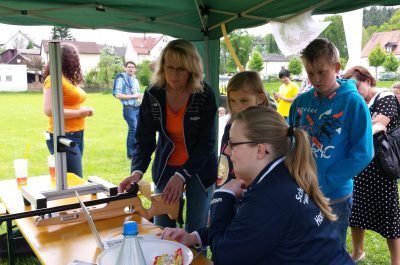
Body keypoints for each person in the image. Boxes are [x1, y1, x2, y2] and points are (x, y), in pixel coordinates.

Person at [208, 106, 354, 265]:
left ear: (260, 150)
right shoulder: (280, 175)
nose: (227, 151)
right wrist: (197, 236)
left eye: (233, 143)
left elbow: (224, 257)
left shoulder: (270, 196)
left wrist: (222, 196)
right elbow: (247, 226)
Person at [161, 71, 274, 247]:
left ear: (259, 98)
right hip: (231, 195)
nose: (237, 107)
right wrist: (219, 199)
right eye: (233, 101)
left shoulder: (268, 128)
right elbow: (224, 161)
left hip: (255, 202)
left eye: (243, 100)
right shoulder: (231, 126)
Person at [118, 39, 217, 233]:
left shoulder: (204, 94)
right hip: (166, 166)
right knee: (162, 226)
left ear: (192, 69)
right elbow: (144, 138)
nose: (173, 75)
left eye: (180, 69)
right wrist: (137, 171)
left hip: (201, 168)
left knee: (195, 228)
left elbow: (207, 144)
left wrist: (182, 175)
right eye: (169, 67)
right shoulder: (153, 94)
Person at [288, 39, 373, 249]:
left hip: (334, 196)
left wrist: (325, 180)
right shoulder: (300, 102)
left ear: (336, 68)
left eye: (321, 72)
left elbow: (363, 153)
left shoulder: (353, 102)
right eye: (310, 73)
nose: (315, 79)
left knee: (330, 251)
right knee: (301, 247)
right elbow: (289, 142)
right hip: (300, 190)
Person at [343, 66, 400, 263]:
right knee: (356, 213)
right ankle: (358, 252)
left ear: (368, 80)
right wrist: (369, 125)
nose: (354, 90)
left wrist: (364, 128)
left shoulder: (386, 98)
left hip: (381, 168)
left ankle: (396, 261)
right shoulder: (355, 100)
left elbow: (368, 131)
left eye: (357, 85)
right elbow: (361, 130)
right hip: (359, 166)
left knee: (389, 217)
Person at [43, 44, 94, 178]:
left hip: (76, 133)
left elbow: (68, 104)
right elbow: (49, 110)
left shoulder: (67, 80)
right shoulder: (53, 79)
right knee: (74, 179)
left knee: (70, 178)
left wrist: (83, 110)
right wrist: (79, 113)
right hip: (62, 135)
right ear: (70, 59)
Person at [113, 61, 142, 159]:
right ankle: (131, 154)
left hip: (137, 107)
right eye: (129, 67)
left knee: (138, 129)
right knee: (133, 129)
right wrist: (134, 96)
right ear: (125, 68)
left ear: (135, 69)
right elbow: (118, 95)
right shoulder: (122, 79)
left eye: (133, 67)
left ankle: (137, 151)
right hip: (129, 109)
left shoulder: (135, 80)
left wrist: (139, 97)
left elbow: (136, 93)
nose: (131, 68)